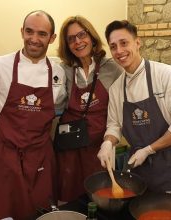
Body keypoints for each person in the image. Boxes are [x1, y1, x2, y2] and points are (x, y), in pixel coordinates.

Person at [0, 10, 66, 220]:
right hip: (8, 154)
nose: (34, 39)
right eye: (29, 31)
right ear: (22, 32)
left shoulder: (58, 72)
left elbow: (56, 107)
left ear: (52, 38)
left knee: (43, 212)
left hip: (42, 155)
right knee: (6, 214)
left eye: (42, 34)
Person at [97, 20, 171, 196]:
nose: (119, 51)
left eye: (124, 43)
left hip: (168, 166)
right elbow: (114, 125)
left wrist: (148, 150)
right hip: (137, 166)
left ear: (137, 42)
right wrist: (107, 142)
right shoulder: (116, 88)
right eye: (113, 46)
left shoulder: (165, 74)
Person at [56, 15, 122, 202]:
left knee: (100, 196)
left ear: (91, 37)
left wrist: (110, 142)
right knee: (68, 195)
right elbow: (53, 102)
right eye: (71, 39)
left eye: (82, 35)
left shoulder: (112, 69)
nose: (78, 42)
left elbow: (119, 111)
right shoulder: (64, 70)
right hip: (69, 145)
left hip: (99, 146)